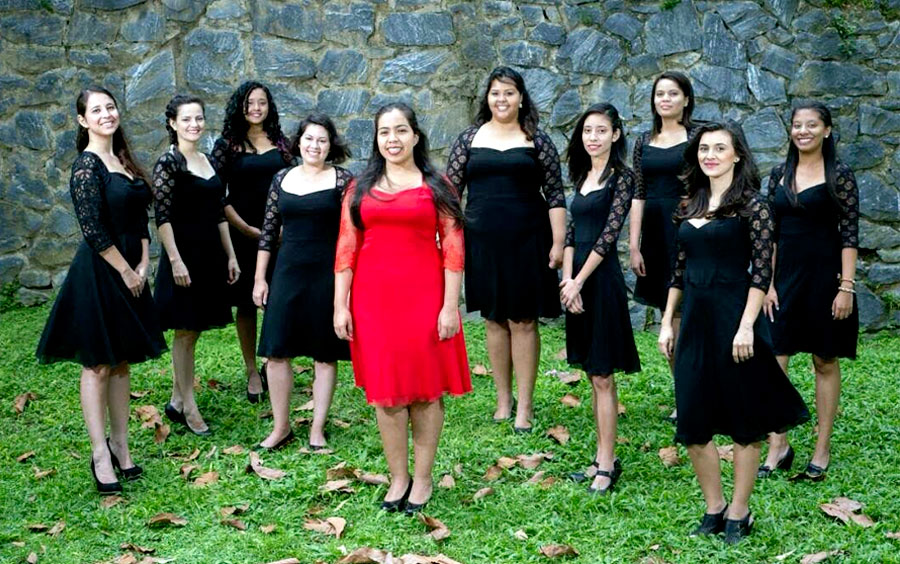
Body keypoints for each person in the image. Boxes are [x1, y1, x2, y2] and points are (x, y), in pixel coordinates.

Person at [657, 122, 809, 544]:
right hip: (695, 323)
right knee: (692, 421)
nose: (710, 155)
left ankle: (740, 512)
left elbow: (761, 272)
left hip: (736, 320)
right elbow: (679, 270)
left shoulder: (754, 207)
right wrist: (667, 321)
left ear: (737, 155)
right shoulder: (688, 203)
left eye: (719, 148)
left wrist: (746, 327)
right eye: (704, 148)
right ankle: (714, 507)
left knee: (744, 421)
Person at [334, 103, 471, 514]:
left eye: (400, 131)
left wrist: (450, 307)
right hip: (373, 303)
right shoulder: (359, 188)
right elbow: (346, 248)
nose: (392, 139)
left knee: (426, 391)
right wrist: (340, 305)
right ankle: (398, 477)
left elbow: (454, 248)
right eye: (384, 132)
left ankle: (423, 478)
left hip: (425, 299)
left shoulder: (437, 186)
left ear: (415, 136)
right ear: (376, 138)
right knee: (387, 393)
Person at [36, 86, 166, 494]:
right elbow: (92, 229)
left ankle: (120, 446)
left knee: (122, 361)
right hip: (101, 271)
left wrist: (143, 263)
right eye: (97, 110)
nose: (107, 114)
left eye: (110, 107)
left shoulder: (123, 160)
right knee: (98, 364)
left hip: (133, 270)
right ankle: (99, 454)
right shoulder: (86, 166)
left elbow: (139, 218)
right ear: (83, 120)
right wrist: (125, 270)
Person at [446, 66, 565, 432]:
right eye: (496, 92)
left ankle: (525, 405)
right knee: (494, 319)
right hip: (482, 241)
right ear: (487, 98)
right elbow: (451, 194)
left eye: (509, 93)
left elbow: (555, 194)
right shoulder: (469, 138)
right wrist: (446, 239)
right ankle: (503, 399)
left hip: (529, 240)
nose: (502, 99)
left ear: (521, 99)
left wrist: (558, 242)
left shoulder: (537, 140)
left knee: (523, 321)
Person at [760, 102, 859, 482]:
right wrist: (766, 284)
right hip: (784, 280)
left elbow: (849, 234)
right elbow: (769, 235)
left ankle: (822, 448)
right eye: (797, 125)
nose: (803, 131)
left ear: (827, 130)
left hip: (826, 279)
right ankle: (778, 445)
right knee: (775, 358)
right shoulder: (779, 174)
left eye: (812, 125)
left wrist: (846, 288)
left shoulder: (840, 175)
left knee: (824, 360)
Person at [253, 114, 353, 451]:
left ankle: (317, 429)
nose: (315, 145)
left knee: (324, 353)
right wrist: (260, 279)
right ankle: (281, 427)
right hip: (286, 273)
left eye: (322, 140)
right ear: (299, 142)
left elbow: (352, 234)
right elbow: (268, 233)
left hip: (327, 275)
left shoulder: (342, 180)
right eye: (309, 139)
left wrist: (347, 289)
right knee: (277, 350)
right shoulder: (282, 178)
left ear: (331, 145)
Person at [560, 104, 641, 495]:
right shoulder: (583, 175)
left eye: (601, 130)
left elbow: (609, 236)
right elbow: (572, 232)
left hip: (601, 282)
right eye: (587, 130)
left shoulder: (623, 178)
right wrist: (566, 281)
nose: (593, 137)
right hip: (576, 281)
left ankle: (608, 465)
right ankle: (599, 457)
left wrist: (579, 281)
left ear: (616, 134)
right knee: (593, 375)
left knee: (604, 376)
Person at [152, 94, 240, 436]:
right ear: (173, 123)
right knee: (185, 331)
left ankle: (177, 400)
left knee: (195, 329)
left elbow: (219, 213)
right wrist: (175, 260)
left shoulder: (207, 160)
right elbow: (162, 217)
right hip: (183, 257)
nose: (194, 124)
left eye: (199, 118)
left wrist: (231, 255)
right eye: (186, 119)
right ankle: (189, 405)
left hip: (210, 256)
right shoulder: (169, 163)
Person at [212, 81, 293, 403]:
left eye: (262, 102)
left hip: (280, 234)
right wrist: (243, 227)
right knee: (246, 303)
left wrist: (284, 226)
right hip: (242, 231)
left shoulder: (282, 143)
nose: (256, 108)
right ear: (240, 107)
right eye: (250, 103)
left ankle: (273, 362)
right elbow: (216, 193)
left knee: (278, 300)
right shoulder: (227, 145)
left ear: (269, 107)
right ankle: (251, 371)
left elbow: (293, 184)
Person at [630, 71, 696, 423]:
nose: (665, 99)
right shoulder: (643, 141)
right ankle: (683, 393)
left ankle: (694, 395)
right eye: (660, 94)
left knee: (686, 315)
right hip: (654, 235)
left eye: (673, 93)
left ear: (686, 99)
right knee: (667, 316)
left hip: (687, 231)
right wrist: (634, 245)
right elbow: (638, 193)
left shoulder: (697, 137)